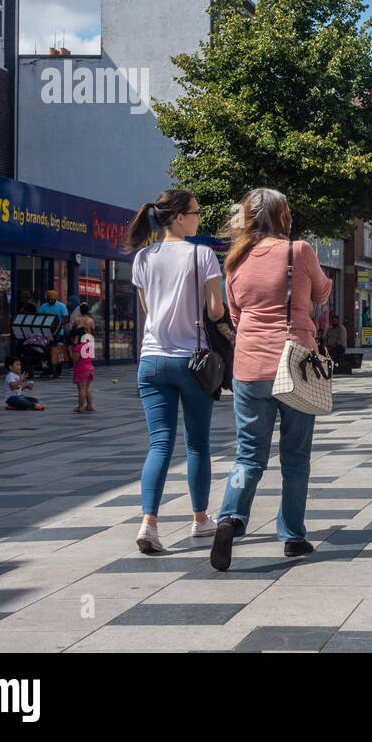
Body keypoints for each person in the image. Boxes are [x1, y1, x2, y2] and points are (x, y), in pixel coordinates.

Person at [209, 189, 333, 571]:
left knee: (249, 453)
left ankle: (230, 518)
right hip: (294, 363)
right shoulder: (299, 251)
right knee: (296, 458)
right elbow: (323, 293)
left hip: (248, 367)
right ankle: (293, 537)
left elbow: (233, 315)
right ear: (283, 217)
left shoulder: (234, 260)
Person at [126, 188, 225, 555]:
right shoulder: (202, 255)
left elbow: (149, 311)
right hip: (191, 361)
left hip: (151, 361)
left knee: (160, 444)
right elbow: (215, 311)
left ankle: (148, 524)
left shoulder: (142, 258)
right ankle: (200, 519)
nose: (200, 218)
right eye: (196, 212)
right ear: (180, 217)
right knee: (197, 444)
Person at [38, 290, 71, 378]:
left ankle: (58, 371)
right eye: (49, 299)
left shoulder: (61, 306)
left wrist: (59, 324)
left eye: (53, 299)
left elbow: (66, 318)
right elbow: (39, 318)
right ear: (47, 299)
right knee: (45, 352)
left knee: (59, 351)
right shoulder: (43, 307)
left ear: (55, 299)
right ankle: (46, 370)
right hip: (46, 333)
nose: (51, 301)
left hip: (58, 333)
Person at [70, 325, 95, 413]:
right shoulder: (89, 346)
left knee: (81, 389)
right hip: (89, 368)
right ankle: (90, 405)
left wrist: (72, 349)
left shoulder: (78, 347)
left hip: (81, 369)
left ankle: (81, 407)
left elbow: (75, 359)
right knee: (87, 388)